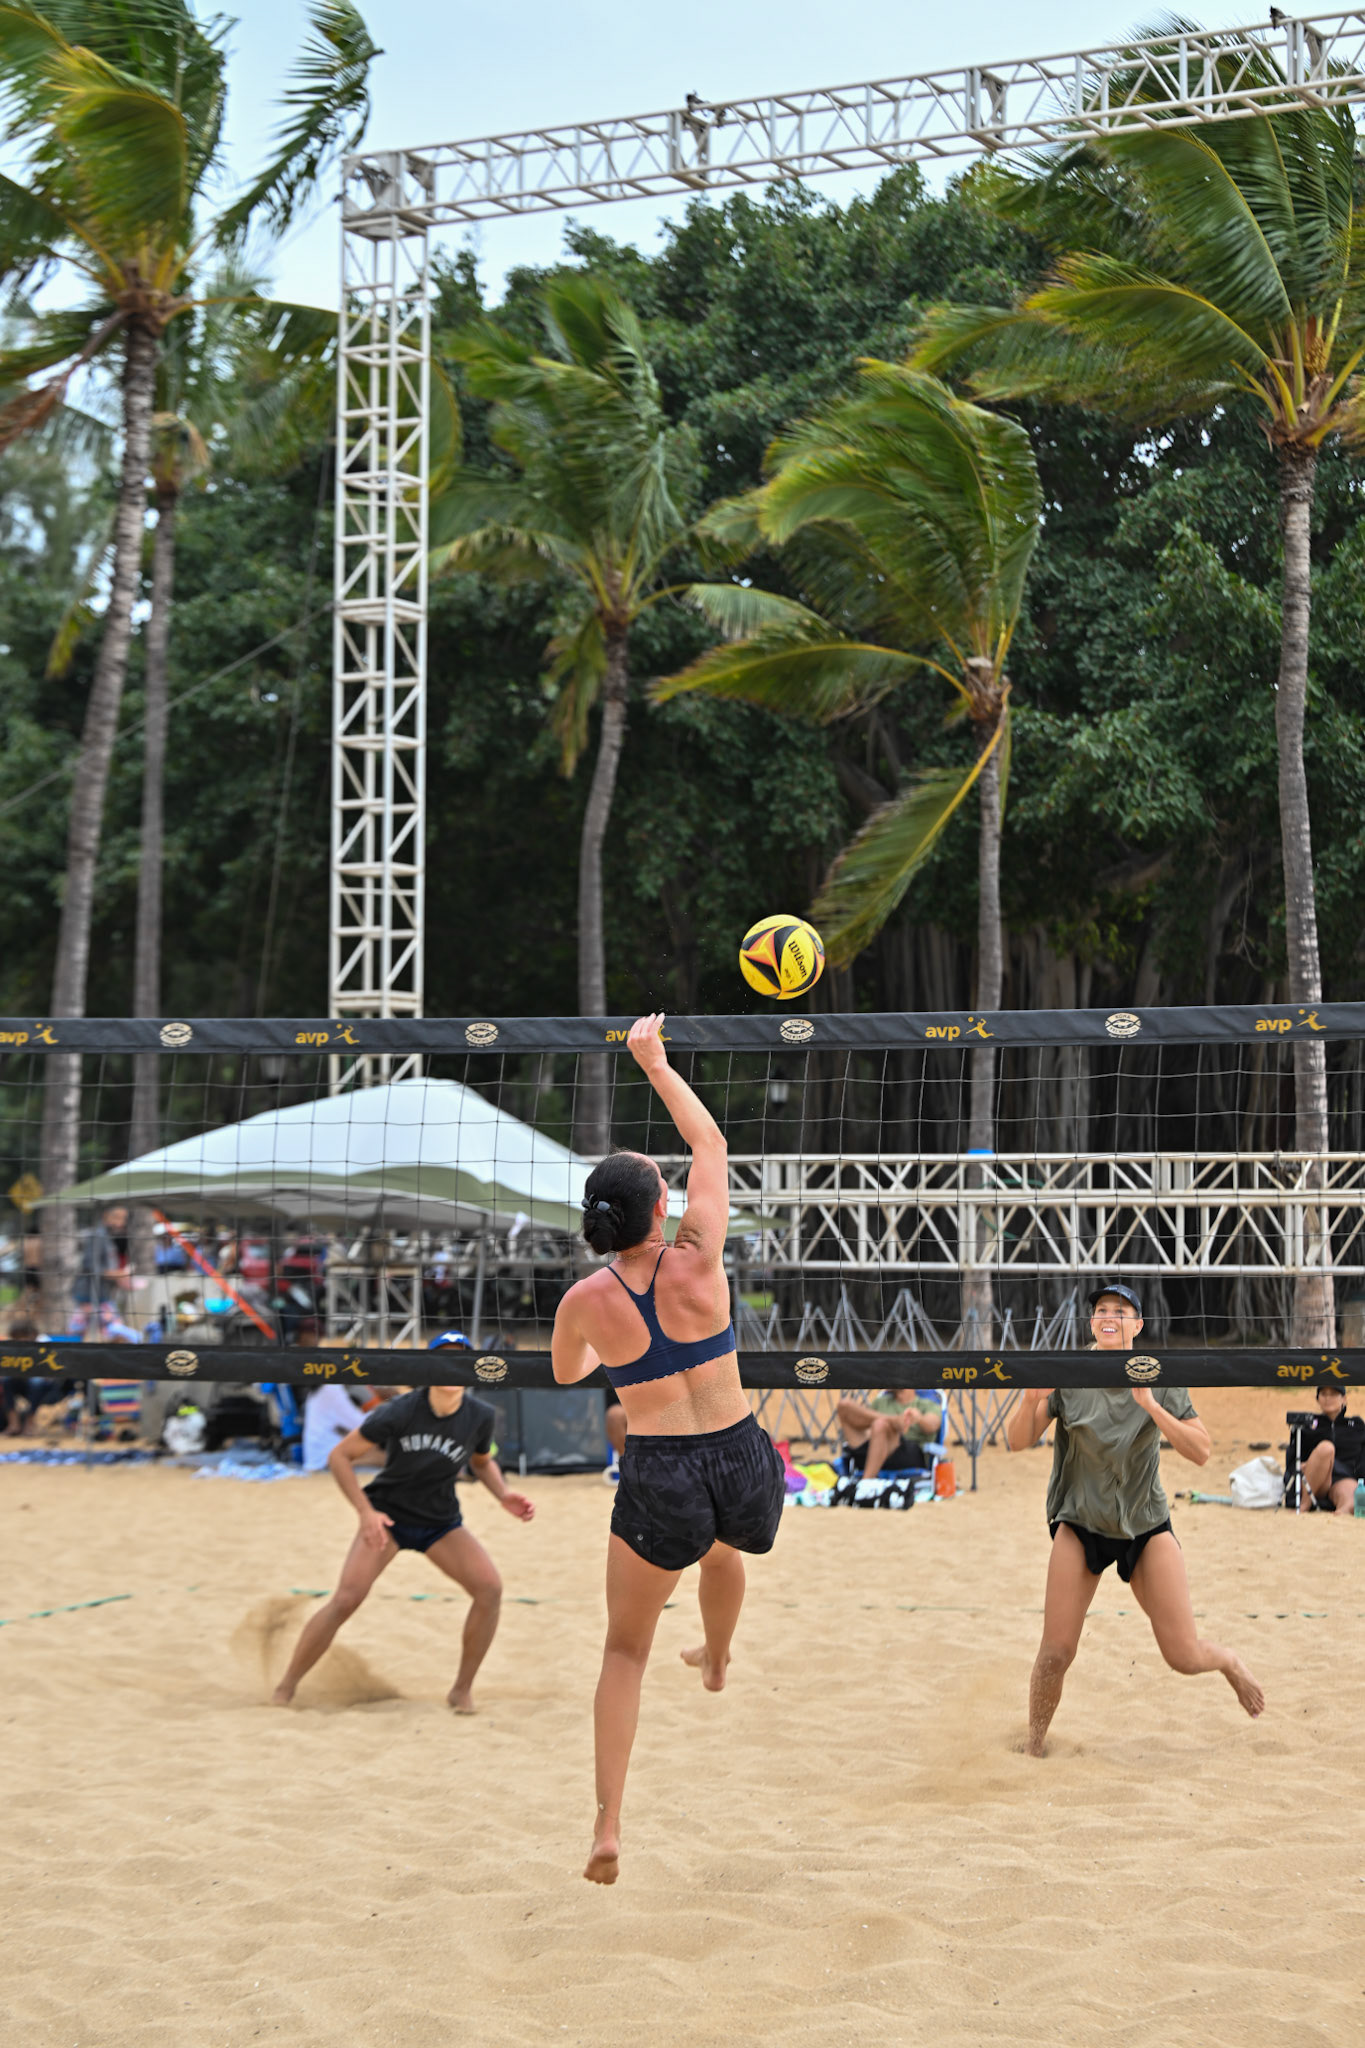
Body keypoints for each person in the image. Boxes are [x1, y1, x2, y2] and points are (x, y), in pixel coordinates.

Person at [552, 1013, 785, 1887]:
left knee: (623, 1652)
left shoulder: (584, 1298)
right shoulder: (700, 1256)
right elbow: (710, 1137)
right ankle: (719, 1658)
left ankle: (609, 1826)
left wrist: (609, 1344)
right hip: (741, 1459)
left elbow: (571, 1372)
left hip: (659, 1470)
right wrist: (651, 1061)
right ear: (662, 1209)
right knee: (725, 1549)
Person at [1007, 1280, 1263, 1755]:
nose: (1109, 1315)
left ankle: (1228, 1661)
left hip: (1144, 1526)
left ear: (1138, 1324)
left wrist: (1149, 1404)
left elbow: (1203, 1451)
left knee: (1183, 1656)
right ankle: (1034, 1746)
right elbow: (1017, 1441)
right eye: (1101, 1309)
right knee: (1055, 1652)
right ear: (1091, 1322)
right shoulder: (1071, 1371)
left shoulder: (1159, 1375)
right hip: (1080, 1522)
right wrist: (1028, 1401)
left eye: (1120, 1311)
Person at [270, 1376, 535, 1713]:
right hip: (389, 1517)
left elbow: (481, 1462)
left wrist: (503, 1494)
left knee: (490, 1589)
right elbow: (339, 1456)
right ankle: (286, 1686)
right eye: (445, 1361)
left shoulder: (479, 1415)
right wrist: (366, 1513)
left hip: (439, 1521)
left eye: (460, 1361)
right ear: (430, 1369)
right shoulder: (401, 1410)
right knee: (346, 1599)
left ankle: (461, 1691)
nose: (452, 1373)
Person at [837, 1389, 942, 1478]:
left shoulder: (926, 1404)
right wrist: (894, 1422)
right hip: (873, 1449)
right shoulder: (880, 1402)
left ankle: (866, 1482)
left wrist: (919, 1418)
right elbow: (868, 1429)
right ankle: (891, 1420)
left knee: (880, 1424)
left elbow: (933, 1425)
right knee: (844, 1405)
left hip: (908, 1455)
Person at [1295, 1382, 1365, 1513]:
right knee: (1326, 1448)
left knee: (1351, 1498)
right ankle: (1305, 1504)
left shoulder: (1357, 1425)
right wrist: (1300, 1465)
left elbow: (1363, 1459)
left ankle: (1339, 1519)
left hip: (1343, 1477)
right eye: (1323, 1394)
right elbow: (1294, 1456)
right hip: (1314, 1479)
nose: (1328, 1398)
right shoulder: (1307, 1425)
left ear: (1344, 1399)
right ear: (1317, 1399)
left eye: (1333, 1394)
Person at [301, 1381, 368, 1474]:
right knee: (379, 1454)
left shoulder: (323, 1388)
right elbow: (359, 1424)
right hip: (325, 1462)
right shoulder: (331, 1388)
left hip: (319, 1460)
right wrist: (381, 1410)